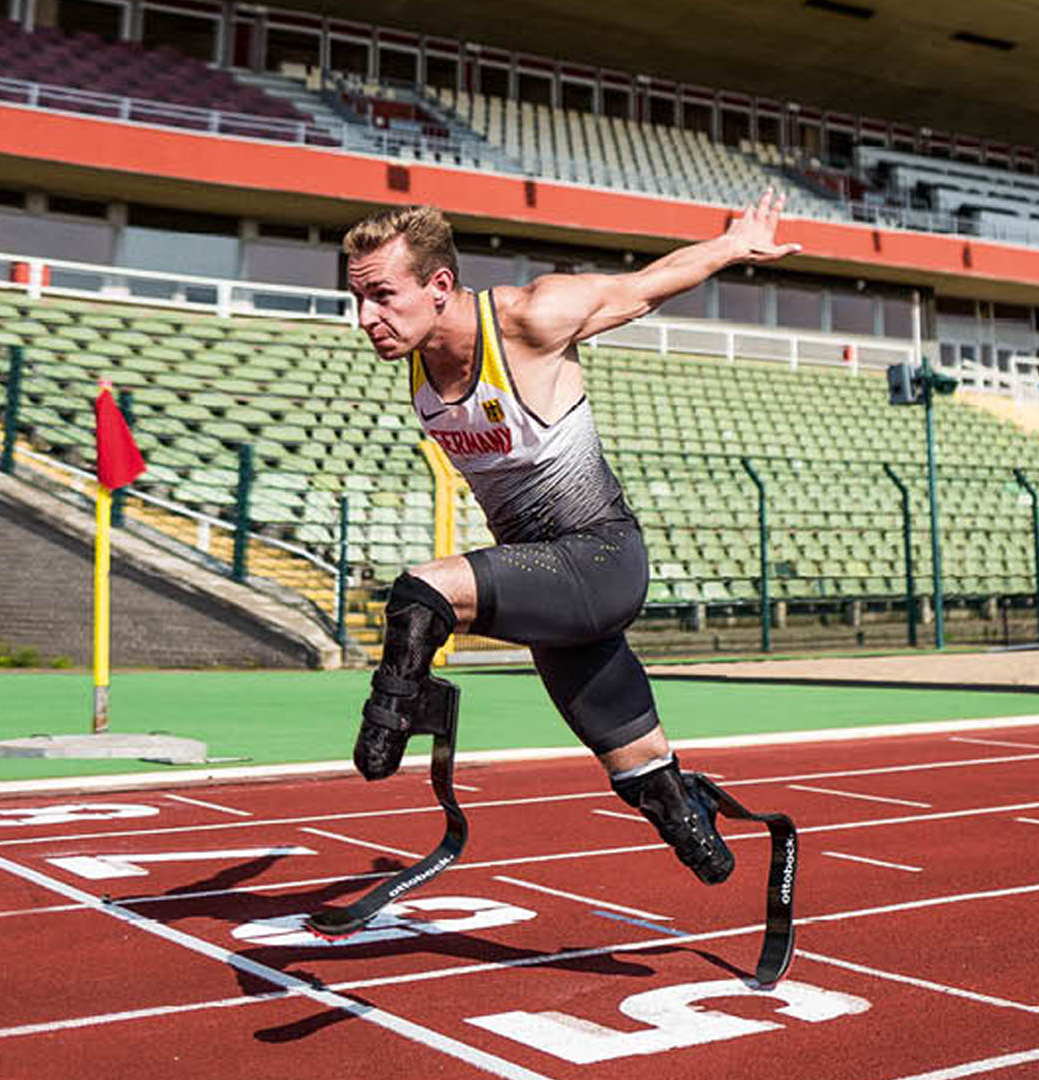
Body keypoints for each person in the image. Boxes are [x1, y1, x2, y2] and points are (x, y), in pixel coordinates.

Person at [341, 190, 800, 884]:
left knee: (421, 595)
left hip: (600, 556)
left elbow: (644, 289)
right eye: (358, 299)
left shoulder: (531, 316)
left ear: (439, 286)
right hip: (554, 594)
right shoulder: (416, 359)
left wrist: (735, 244)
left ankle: (391, 728)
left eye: (381, 295)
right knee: (640, 775)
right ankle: (691, 814)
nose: (366, 318)